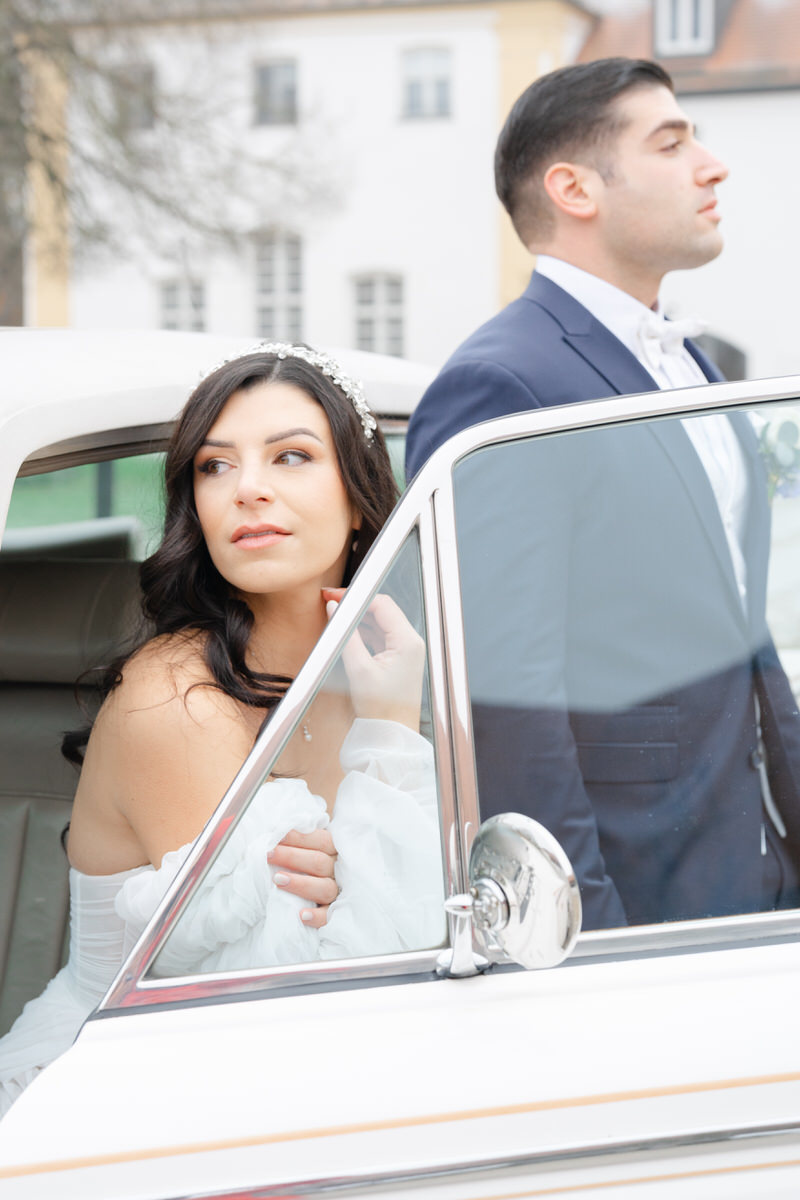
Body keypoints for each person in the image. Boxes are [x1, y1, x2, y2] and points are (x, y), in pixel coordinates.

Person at [405, 57, 800, 929]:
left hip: (756, 866)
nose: (712, 164)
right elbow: (504, 697)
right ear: (574, 188)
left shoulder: (691, 362)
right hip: (635, 897)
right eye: (672, 141)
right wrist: (578, 930)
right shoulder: (504, 383)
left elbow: (736, 631)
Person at [0, 343, 443, 1117]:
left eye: (292, 456)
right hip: (116, 1088)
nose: (249, 490)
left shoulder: (380, 664)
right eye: (215, 466)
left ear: (360, 498)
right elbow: (319, 977)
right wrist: (391, 739)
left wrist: (355, 864)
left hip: (302, 1073)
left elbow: (435, 928)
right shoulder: (174, 701)